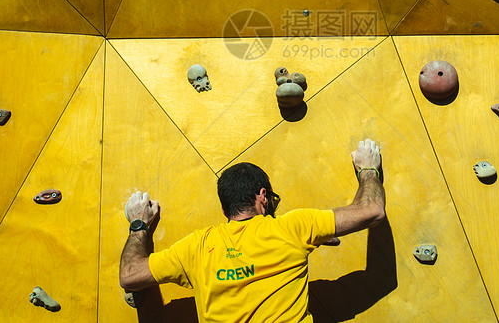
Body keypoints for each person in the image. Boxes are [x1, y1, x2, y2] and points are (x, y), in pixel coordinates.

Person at [119, 138, 386, 322]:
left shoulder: (196, 247)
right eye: (273, 200)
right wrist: (369, 169)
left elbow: (130, 276)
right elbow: (371, 210)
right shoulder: (292, 227)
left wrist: (139, 225)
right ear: (263, 196)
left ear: (225, 212)